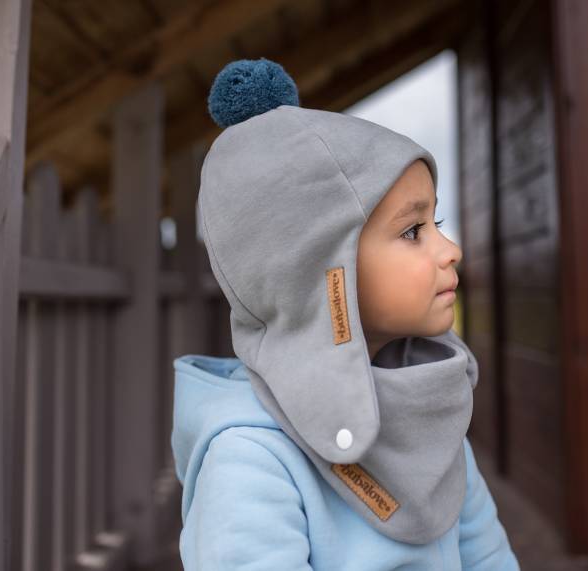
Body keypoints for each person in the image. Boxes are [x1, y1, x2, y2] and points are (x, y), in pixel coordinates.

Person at [171, 56, 520, 570]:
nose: (450, 250)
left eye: (437, 219)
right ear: (325, 271)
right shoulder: (251, 458)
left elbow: (489, 558)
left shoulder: (430, 409)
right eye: (412, 231)